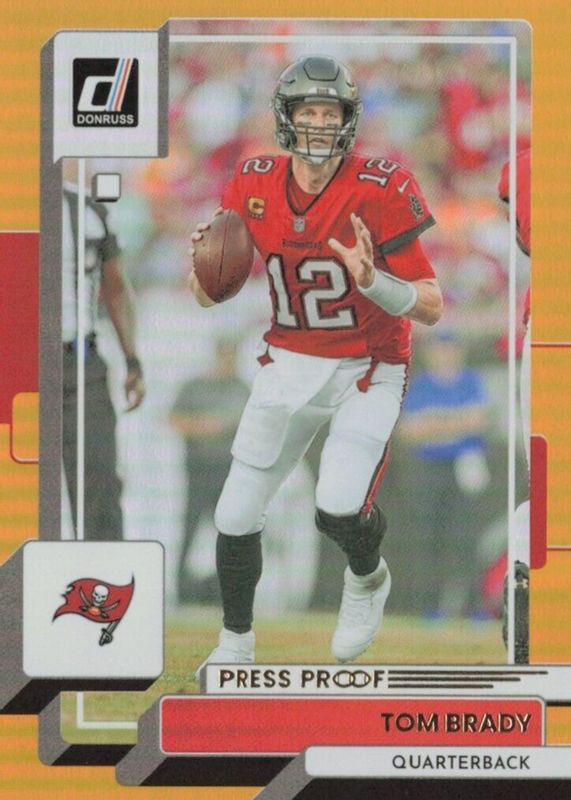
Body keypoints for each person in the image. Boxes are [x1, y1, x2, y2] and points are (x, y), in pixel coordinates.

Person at [188, 56, 443, 668]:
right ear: (287, 117)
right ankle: (235, 645)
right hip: (288, 361)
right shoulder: (252, 180)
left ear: (349, 120)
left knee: (338, 505)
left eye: (332, 112)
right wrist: (204, 264)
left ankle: (367, 576)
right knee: (234, 512)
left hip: (368, 368)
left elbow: (431, 305)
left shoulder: (380, 185)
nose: (321, 124)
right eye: (310, 111)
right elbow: (204, 295)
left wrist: (372, 280)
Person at [62, 186, 145, 540]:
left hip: (78, 363)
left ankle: (104, 570)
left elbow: (116, 287)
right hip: (14, 366)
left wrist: (132, 359)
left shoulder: (86, 209)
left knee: (99, 487)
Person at [400, 330, 490, 618]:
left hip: (464, 467)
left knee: (467, 539)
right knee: (429, 538)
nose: (445, 354)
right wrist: (456, 422)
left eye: (450, 348)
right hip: (429, 468)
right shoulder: (422, 385)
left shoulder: (470, 380)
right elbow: (409, 431)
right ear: (430, 353)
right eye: (440, 348)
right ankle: (429, 606)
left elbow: (479, 421)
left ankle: (474, 606)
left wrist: (434, 422)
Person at [498, 148, 531, 662]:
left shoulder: (532, 162)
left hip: (549, 332)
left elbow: (522, 230)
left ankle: (526, 589)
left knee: (545, 489)